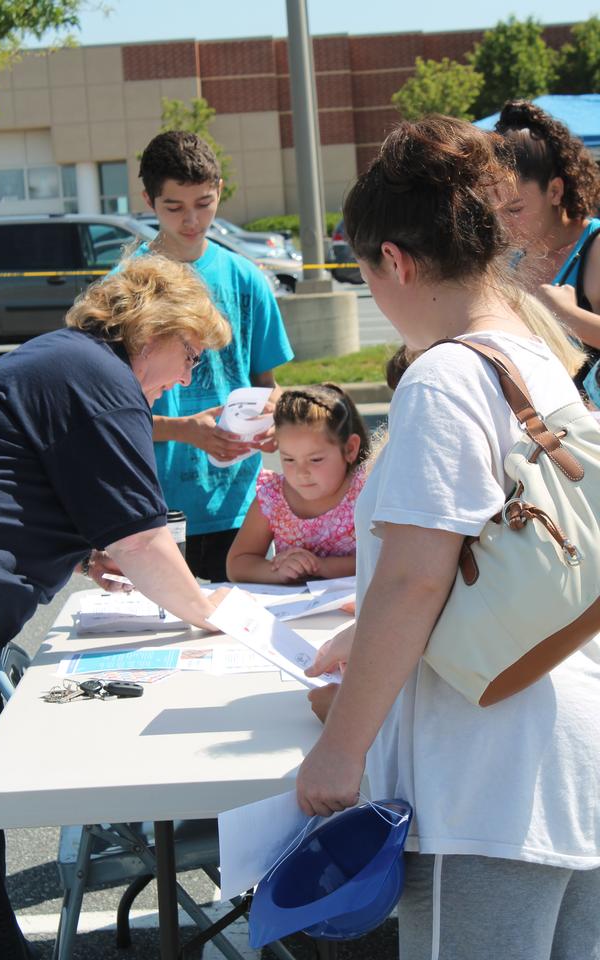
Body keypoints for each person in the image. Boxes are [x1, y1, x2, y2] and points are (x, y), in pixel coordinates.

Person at [296, 116, 600, 960]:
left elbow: (415, 582)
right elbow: (500, 550)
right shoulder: (533, 357)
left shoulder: (440, 376)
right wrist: (364, 639)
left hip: (485, 782)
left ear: (393, 259)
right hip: (571, 753)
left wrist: (341, 747)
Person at [0, 255, 232, 960]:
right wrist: (210, 610)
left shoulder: (60, 359)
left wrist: (83, 548)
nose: (186, 379)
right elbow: (143, 541)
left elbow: (17, 475)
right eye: (190, 355)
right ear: (154, 329)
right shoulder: (105, 381)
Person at [135, 131, 294, 583]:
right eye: (174, 207)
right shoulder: (126, 288)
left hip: (238, 507)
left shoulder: (247, 279)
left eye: (204, 203)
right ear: (148, 199)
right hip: (154, 508)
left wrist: (274, 415)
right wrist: (185, 430)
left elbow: (268, 383)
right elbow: (104, 415)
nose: (191, 220)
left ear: (220, 189)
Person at [495, 99, 600, 387]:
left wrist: (568, 315)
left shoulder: (595, 247)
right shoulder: (512, 260)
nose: (503, 223)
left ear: (554, 191)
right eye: (494, 211)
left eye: (514, 209)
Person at [226, 383, 369, 584]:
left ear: (350, 449)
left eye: (316, 459)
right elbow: (237, 564)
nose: (302, 473)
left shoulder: (368, 492)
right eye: (289, 460)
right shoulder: (272, 498)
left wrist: (321, 567)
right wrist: (276, 570)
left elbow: (385, 559)